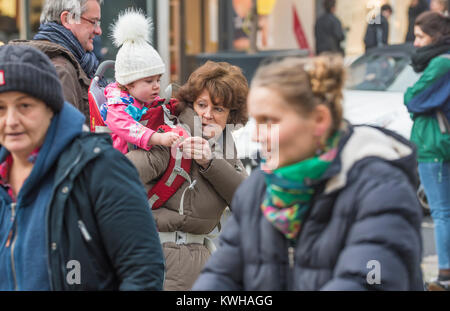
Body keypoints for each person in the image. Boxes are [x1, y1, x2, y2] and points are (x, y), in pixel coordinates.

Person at [193, 55, 424, 291]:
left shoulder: (380, 189)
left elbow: (370, 281)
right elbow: (222, 275)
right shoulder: (258, 189)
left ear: (319, 120)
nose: (256, 135)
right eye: (256, 120)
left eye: (269, 120)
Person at [0, 44, 165, 291]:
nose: (11, 121)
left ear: (51, 107)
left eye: (25, 106)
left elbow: (143, 270)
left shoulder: (101, 168)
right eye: (1, 108)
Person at [126, 61, 249, 290]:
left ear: (231, 115)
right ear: (191, 103)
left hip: (200, 262)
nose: (208, 115)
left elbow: (247, 199)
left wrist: (210, 162)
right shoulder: (171, 135)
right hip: (162, 257)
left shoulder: (225, 147)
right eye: (202, 105)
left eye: (219, 109)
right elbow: (127, 171)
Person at [404, 11, 450, 291]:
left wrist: (411, 96)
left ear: (436, 36)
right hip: (439, 145)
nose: (416, 42)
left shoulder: (441, 65)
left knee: (441, 213)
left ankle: (444, 273)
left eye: (421, 36)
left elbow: (413, 98)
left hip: (434, 146)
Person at [9, 0, 103, 122]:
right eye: (93, 22)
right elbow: (65, 134)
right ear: (67, 19)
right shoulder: (61, 69)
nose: (98, 30)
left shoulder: (45, 60)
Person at [101, 9, 179, 154]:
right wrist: (158, 138)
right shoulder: (118, 106)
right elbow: (127, 126)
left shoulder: (139, 97)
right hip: (122, 158)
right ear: (129, 83)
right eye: (149, 81)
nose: (156, 86)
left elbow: (153, 106)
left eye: (158, 80)